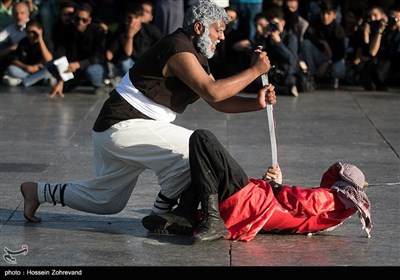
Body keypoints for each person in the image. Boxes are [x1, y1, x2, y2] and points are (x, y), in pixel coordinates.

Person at [20, 0, 275, 225]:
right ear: (199, 28)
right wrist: (254, 71)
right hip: (123, 126)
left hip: (126, 129)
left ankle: (39, 192)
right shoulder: (178, 49)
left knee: (107, 201)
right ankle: (161, 214)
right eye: (218, 30)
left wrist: (256, 102)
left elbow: (218, 101)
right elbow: (213, 92)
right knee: (193, 152)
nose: (222, 37)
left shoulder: (194, 53)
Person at [143, 129, 373, 243]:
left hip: (251, 201)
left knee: (203, 140)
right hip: (253, 206)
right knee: (206, 163)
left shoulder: (329, 199)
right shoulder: (332, 215)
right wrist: (275, 185)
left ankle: (202, 217)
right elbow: (293, 208)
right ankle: (189, 217)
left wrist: (274, 186)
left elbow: (301, 199)